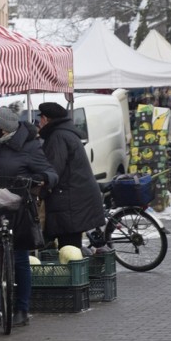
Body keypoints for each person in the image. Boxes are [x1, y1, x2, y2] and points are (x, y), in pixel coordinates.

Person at [0, 103, 58, 328]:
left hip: (18, 209)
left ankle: (22, 309)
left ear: (6, 127)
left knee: (19, 260)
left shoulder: (29, 147)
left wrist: (42, 180)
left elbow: (50, 171)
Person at [37, 102, 105, 248]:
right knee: (71, 246)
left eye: (40, 118)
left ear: (46, 119)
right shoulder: (65, 133)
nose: (39, 123)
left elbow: (53, 170)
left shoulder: (58, 137)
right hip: (74, 198)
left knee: (69, 248)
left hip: (70, 201)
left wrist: (40, 192)